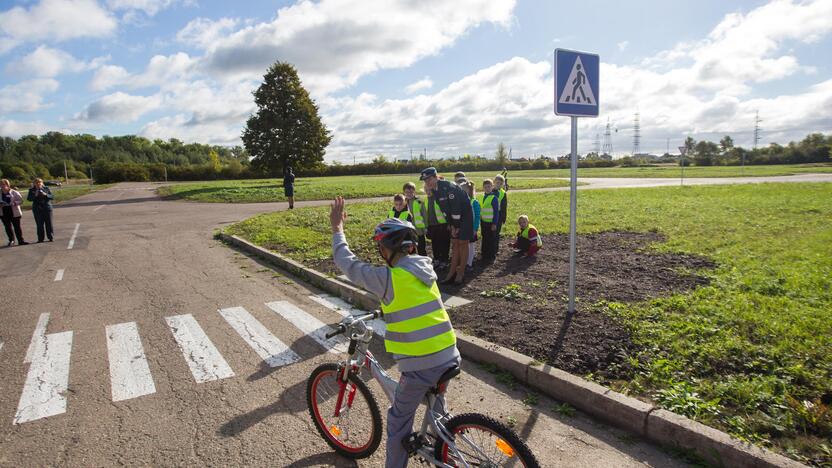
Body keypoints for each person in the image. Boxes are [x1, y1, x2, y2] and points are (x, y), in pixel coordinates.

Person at [329, 197, 460, 468]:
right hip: (449, 354)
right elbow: (412, 305)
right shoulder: (425, 271)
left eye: (380, 248)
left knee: (398, 421)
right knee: (437, 413)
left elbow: (348, 264)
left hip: (421, 365)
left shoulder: (389, 278)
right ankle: (447, 451)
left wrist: (337, 230)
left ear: (386, 250)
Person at [420, 167, 473, 285]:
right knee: (455, 243)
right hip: (454, 218)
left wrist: (456, 226)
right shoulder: (435, 190)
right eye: (425, 180)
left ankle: (460, 273)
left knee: (463, 243)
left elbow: (456, 209)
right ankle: (452, 272)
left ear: (435, 177)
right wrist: (451, 225)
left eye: (429, 179)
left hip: (465, 216)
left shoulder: (448, 187)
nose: (427, 182)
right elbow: (445, 210)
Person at [425, 187, 450, 271]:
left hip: (442, 224)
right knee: (435, 243)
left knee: (444, 243)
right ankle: (437, 259)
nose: (428, 192)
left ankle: (444, 260)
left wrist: (448, 223)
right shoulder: (427, 200)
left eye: (429, 190)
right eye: (426, 190)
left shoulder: (438, 198)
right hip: (432, 225)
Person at [479, 179, 501, 262]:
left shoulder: (494, 198)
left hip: (491, 223)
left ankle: (492, 256)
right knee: (485, 239)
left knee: (491, 240)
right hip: (483, 222)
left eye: (489, 187)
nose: (487, 188)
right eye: (485, 187)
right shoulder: (482, 197)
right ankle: (484, 255)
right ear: (483, 188)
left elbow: (496, 213)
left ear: (492, 187)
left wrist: (494, 224)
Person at [1, 179, 28, 246]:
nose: (2, 186)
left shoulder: (14, 192)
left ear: (8, 185)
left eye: (4, 184)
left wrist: (14, 203)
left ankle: (21, 240)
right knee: (7, 227)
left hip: (14, 211)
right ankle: (11, 240)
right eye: (1, 185)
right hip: (3, 211)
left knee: (17, 227)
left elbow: (21, 201)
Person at [403, 182, 428, 256]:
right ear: (404, 192)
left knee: (421, 248)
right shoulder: (403, 202)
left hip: (419, 230)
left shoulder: (419, 201)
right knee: (410, 249)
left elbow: (424, 215)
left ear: (414, 192)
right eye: (407, 192)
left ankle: (424, 263)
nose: (409, 194)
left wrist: (426, 227)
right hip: (408, 231)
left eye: (411, 192)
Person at [28, 178, 54, 243]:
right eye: (36, 183)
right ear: (34, 184)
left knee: (49, 223)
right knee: (39, 224)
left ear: (42, 183)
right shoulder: (31, 190)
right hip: (37, 209)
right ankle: (40, 238)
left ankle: (50, 237)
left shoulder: (46, 188)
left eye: (40, 182)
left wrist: (46, 195)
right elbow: (29, 199)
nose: (38, 184)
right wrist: (35, 195)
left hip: (47, 208)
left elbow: (52, 196)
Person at [463, 181, 480, 269]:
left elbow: (477, 217)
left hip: (471, 229)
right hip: (464, 228)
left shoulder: (474, 202)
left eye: (465, 190)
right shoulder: (461, 202)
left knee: (471, 247)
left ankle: (469, 263)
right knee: (465, 246)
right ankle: (464, 262)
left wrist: (475, 228)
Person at [494, 173, 509, 253]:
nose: (498, 185)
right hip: (490, 217)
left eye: (500, 183)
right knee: (489, 234)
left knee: (496, 234)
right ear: (494, 182)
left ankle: (495, 250)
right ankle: (488, 249)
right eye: (497, 183)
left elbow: (504, 206)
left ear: (503, 184)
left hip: (499, 216)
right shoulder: (490, 191)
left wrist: (504, 217)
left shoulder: (503, 193)